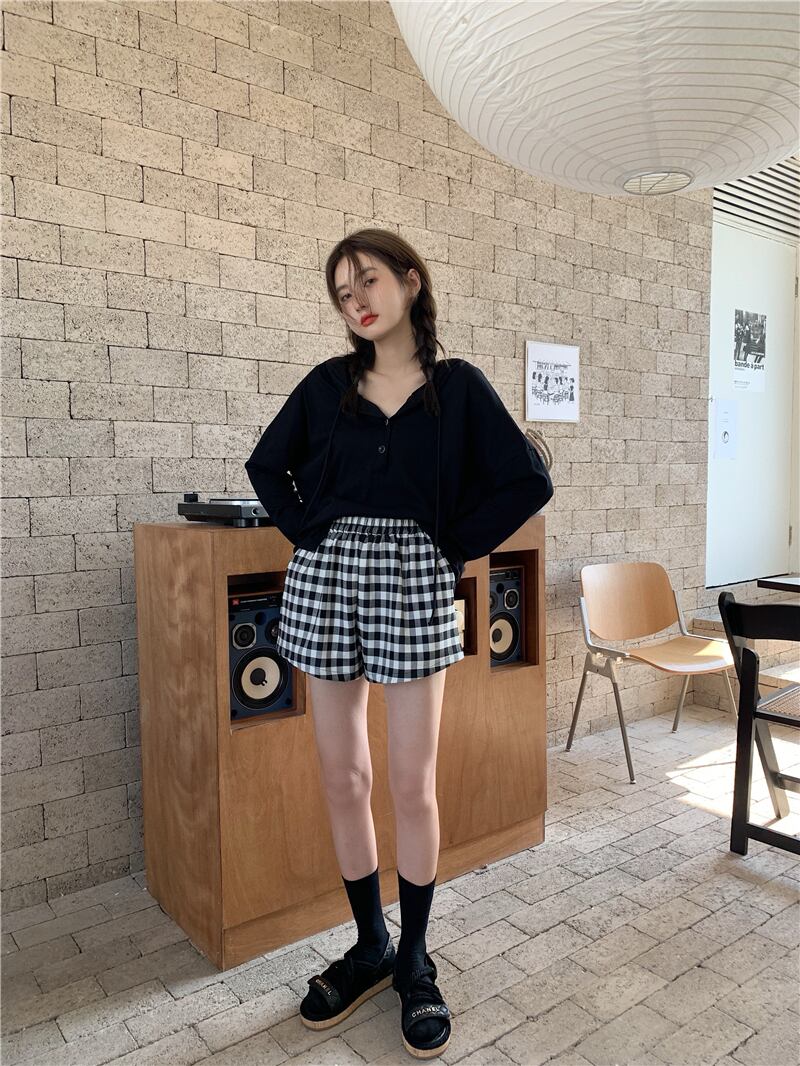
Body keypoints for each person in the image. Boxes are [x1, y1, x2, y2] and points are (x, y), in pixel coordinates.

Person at [245, 228, 553, 1059]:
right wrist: (313, 531)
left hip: (415, 581)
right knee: (342, 775)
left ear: (411, 281)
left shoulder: (458, 388)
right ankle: (370, 945)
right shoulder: (327, 386)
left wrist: (449, 547)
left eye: (369, 282)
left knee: (412, 783)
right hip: (326, 579)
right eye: (343, 294)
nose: (357, 302)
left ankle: (415, 957)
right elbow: (267, 467)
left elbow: (529, 479)